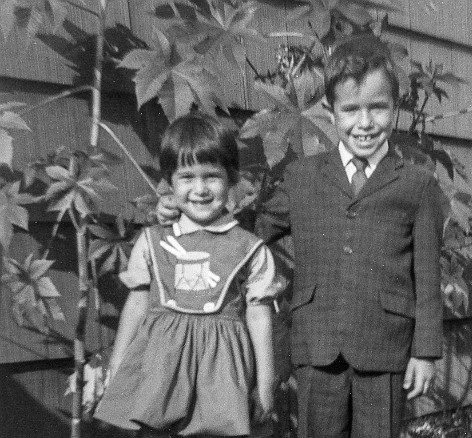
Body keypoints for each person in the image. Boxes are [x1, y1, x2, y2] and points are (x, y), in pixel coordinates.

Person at [157, 35, 444, 438]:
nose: (365, 123)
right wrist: (185, 215)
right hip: (317, 343)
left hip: (385, 348)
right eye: (351, 110)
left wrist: (425, 352)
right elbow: (247, 235)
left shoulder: (416, 185)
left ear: (394, 109)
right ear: (330, 112)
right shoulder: (303, 177)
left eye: (378, 108)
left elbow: (428, 278)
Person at [94, 113, 277, 437]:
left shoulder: (249, 249)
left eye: (211, 176)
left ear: (232, 178)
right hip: (158, 374)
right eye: (187, 177)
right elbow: (136, 307)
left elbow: (259, 317)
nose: (200, 189)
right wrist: (116, 366)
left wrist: (264, 383)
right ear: (170, 182)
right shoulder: (153, 242)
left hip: (221, 377)